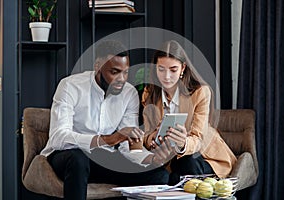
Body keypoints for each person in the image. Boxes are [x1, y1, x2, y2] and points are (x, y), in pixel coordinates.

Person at [40, 40, 169, 200]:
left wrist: (150, 158)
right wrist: (107, 140)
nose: (121, 79)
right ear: (98, 66)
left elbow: (126, 146)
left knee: (159, 174)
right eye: (115, 72)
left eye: (126, 72)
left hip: (104, 160)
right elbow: (58, 137)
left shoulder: (129, 94)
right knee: (78, 160)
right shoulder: (70, 86)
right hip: (67, 156)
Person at [141, 40, 237, 185]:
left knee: (186, 163)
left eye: (173, 70)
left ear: (182, 68)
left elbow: (198, 138)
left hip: (204, 155)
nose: (166, 76)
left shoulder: (200, 92)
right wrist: (153, 139)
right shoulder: (149, 94)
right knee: (161, 173)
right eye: (161, 69)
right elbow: (146, 136)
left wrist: (183, 144)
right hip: (168, 160)